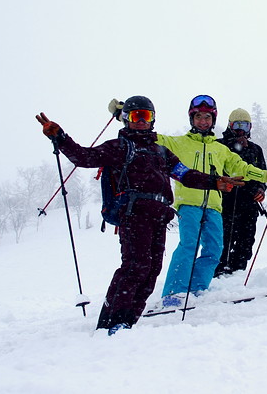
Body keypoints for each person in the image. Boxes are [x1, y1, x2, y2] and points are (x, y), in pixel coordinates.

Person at [36, 96, 243, 336]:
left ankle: (127, 323)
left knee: (152, 269)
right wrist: (60, 137)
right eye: (136, 116)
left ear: (153, 119)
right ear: (126, 120)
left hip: (159, 216)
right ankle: (110, 323)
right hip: (134, 215)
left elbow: (186, 175)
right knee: (135, 267)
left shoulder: (161, 152)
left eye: (146, 116)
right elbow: (84, 157)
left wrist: (215, 182)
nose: (142, 121)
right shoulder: (119, 147)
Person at [110, 95, 267, 308]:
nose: (203, 121)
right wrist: (125, 115)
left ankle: (196, 291)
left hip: (214, 206)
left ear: (213, 120)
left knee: (214, 249)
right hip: (188, 203)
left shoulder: (221, 149)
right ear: (192, 119)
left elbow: (245, 169)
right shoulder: (178, 143)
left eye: (207, 117)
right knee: (188, 245)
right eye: (198, 117)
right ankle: (174, 293)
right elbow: (146, 136)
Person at [213, 108, 267, 277]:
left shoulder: (256, 149)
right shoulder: (219, 145)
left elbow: (262, 174)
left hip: (249, 204)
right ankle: (217, 275)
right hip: (224, 204)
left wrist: (261, 189)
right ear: (230, 125)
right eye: (237, 125)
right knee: (221, 242)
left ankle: (237, 276)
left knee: (246, 242)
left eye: (245, 125)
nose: (241, 129)